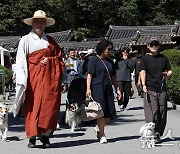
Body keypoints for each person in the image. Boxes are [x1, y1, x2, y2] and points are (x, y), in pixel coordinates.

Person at [14, 10, 65, 148]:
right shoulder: (25, 39)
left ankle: (45, 135)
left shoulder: (50, 41)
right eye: (36, 21)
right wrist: (22, 79)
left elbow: (60, 60)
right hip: (33, 79)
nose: (39, 24)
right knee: (33, 106)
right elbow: (20, 61)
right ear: (32, 24)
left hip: (49, 79)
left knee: (48, 106)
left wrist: (50, 61)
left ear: (45, 25)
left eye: (42, 22)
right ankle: (32, 136)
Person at [86, 39, 121, 144]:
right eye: (108, 49)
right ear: (102, 49)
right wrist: (88, 88)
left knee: (109, 115)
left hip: (108, 88)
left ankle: (98, 128)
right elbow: (90, 75)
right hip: (97, 87)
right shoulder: (93, 60)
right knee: (101, 112)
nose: (110, 51)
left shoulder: (110, 61)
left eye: (111, 49)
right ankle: (102, 134)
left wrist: (117, 89)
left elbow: (113, 76)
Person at [140, 37, 172, 143]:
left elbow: (169, 70)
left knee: (162, 111)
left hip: (161, 87)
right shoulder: (145, 59)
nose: (154, 46)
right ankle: (151, 133)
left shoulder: (163, 58)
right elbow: (143, 72)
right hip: (150, 88)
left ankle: (158, 133)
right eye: (152, 44)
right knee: (153, 111)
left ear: (159, 46)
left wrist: (167, 75)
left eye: (156, 44)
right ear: (148, 46)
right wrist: (143, 85)